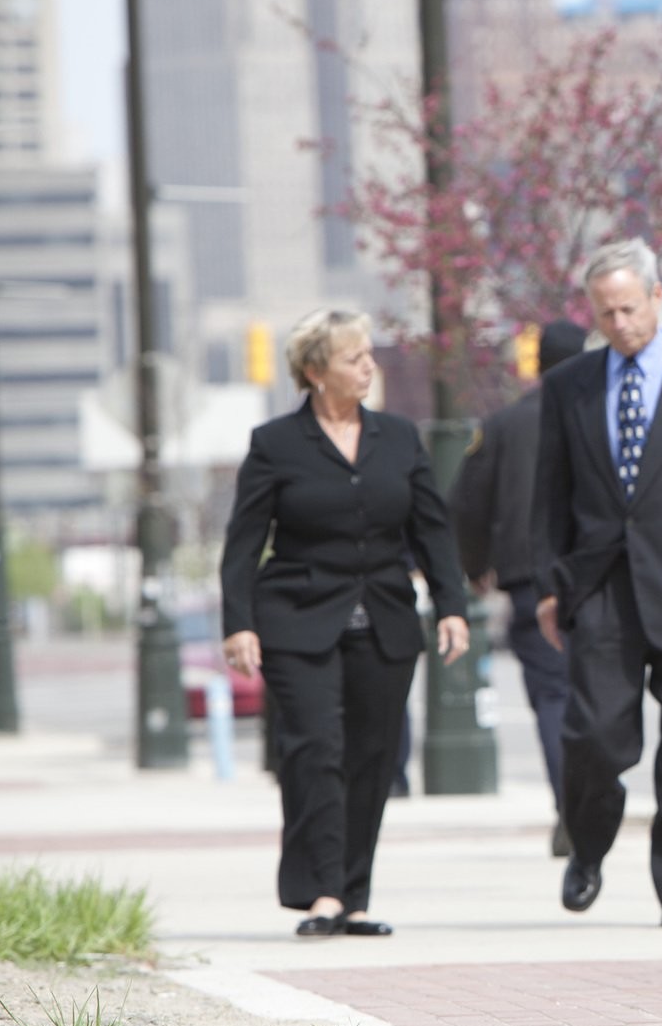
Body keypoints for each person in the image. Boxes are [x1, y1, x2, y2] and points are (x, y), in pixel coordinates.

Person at [221, 310, 470, 938]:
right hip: (297, 620)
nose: (369, 367)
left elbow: (432, 530)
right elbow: (243, 544)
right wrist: (239, 624)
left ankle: (355, 895)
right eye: (353, 358)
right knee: (314, 751)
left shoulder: (398, 437)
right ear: (314, 371)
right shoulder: (274, 443)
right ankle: (320, 892)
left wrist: (452, 607)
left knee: (372, 756)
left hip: (384, 620)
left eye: (368, 356)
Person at [533, 240, 662, 929]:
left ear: (655, 298)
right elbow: (549, 496)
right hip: (601, 587)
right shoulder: (570, 387)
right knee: (593, 736)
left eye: (628, 308)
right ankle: (586, 845)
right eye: (605, 312)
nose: (619, 323)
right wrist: (551, 586)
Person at [453, 319, 589, 856]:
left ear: (536, 366)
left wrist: (475, 566)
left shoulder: (504, 425)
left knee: (554, 698)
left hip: (531, 580)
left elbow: (467, 502)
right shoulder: (600, 415)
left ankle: (573, 807)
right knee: (598, 696)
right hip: (596, 576)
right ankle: (590, 798)